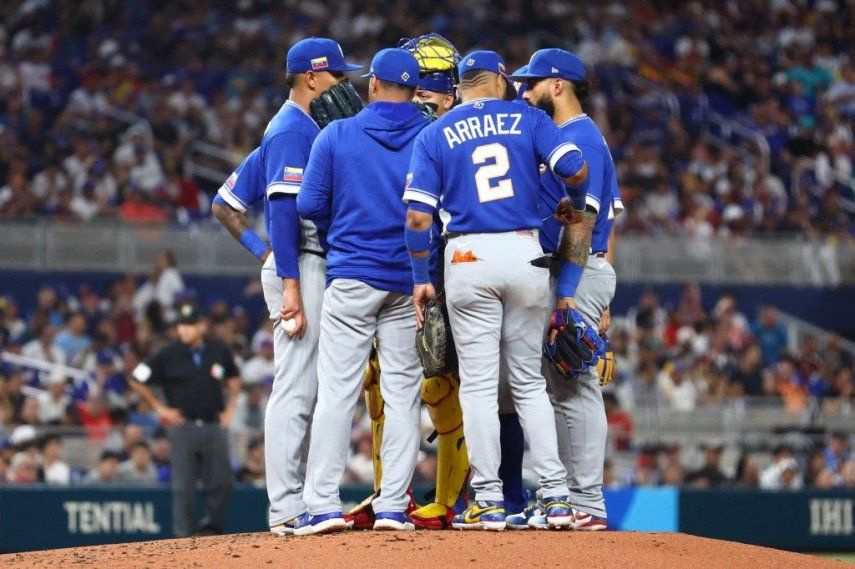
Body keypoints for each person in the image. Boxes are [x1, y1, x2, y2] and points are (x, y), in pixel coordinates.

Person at [404, 49, 589, 530]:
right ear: (502, 79)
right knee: (528, 383)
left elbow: (418, 218)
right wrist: (570, 205)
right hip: (524, 250)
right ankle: (555, 496)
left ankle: (486, 500)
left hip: (467, 256)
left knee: (481, 387)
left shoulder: (436, 132)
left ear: (460, 86)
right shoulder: (528, 118)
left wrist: (421, 276)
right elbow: (576, 168)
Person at [211, 37, 361, 537]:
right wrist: (284, 273)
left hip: (304, 265)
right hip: (303, 267)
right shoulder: (294, 130)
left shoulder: (292, 127)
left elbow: (225, 205)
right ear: (313, 79)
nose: (345, 85)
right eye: (338, 76)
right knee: (297, 386)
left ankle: (294, 504)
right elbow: (279, 210)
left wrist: (264, 256)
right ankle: (287, 507)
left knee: (309, 387)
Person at [294, 47, 428, 535]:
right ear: (415, 91)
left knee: (337, 393)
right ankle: (393, 506)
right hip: (408, 280)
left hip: (351, 274)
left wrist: (342, 228)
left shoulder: (337, 133)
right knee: (402, 396)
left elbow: (308, 204)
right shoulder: (430, 136)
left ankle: (324, 505)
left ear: (372, 84)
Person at [348, 32, 470, 532]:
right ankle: (388, 493)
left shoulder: (458, 134)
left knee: (441, 387)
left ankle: (449, 500)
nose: (419, 102)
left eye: (427, 94)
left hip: (441, 274)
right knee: (377, 388)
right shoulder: (394, 130)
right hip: (387, 269)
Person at [502, 49, 622, 531]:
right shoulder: (569, 138)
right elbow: (609, 219)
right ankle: (571, 497)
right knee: (558, 388)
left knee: (575, 385)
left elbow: (587, 222)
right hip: (572, 272)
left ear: (558, 86)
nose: (524, 92)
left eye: (531, 84)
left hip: (574, 272)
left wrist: (576, 293)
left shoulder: (581, 140)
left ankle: (587, 501)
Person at [130, 303, 241, 537]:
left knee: (222, 483)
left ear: (201, 325)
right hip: (183, 427)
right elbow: (136, 379)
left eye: (190, 325)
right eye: (181, 325)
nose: (185, 330)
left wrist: (231, 406)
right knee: (183, 488)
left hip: (213, 424)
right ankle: (183, 540)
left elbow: (234, 377)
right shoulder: (168, 354)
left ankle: (212, 531)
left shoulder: (217, 349)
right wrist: (160, 408)